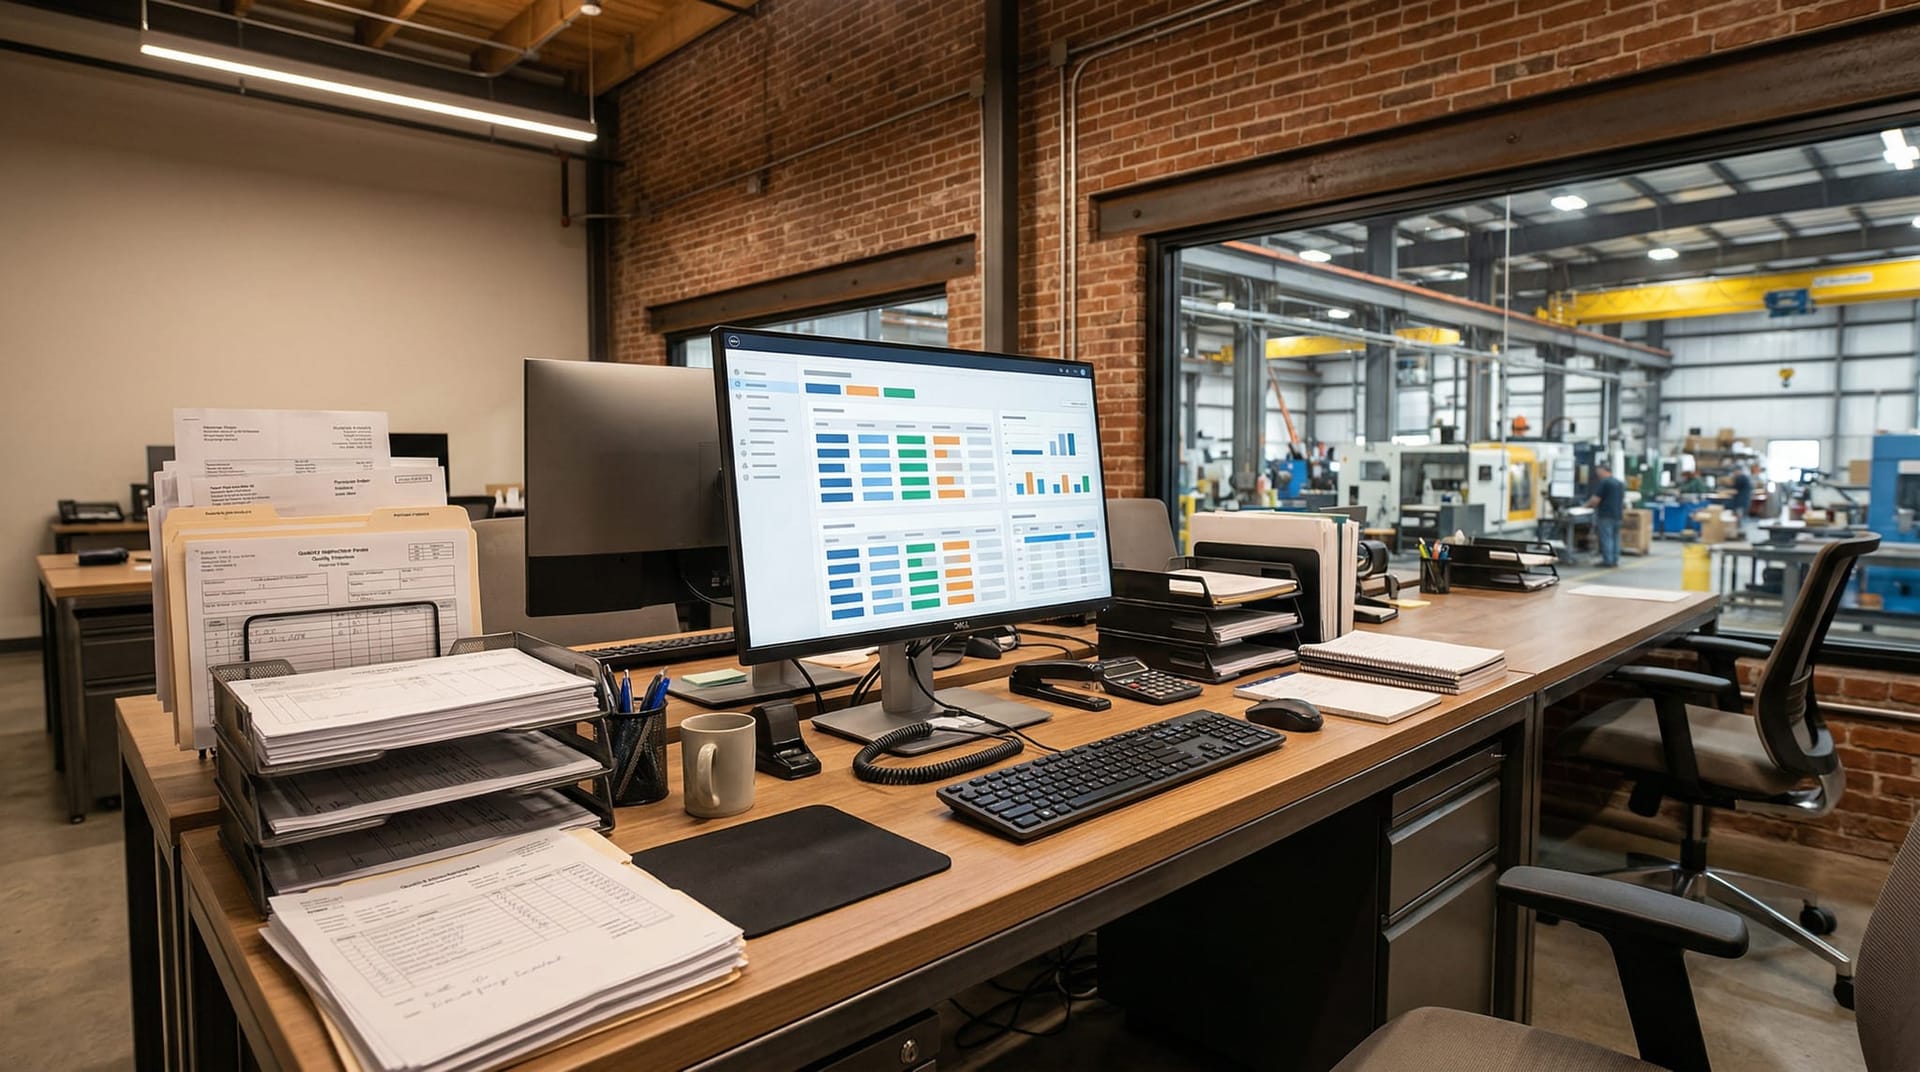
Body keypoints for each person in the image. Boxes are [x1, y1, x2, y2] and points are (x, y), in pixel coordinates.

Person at [1585, 462, 1626, 568]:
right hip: (1617, 515)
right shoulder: (1619, 483)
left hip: (1606, 515)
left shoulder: (1604, 483)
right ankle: (1614, 559)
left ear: (1603, 471)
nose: (1597, 474)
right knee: (1615, 538)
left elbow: (1596, 500)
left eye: (1598, 471)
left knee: (1606, 538)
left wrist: (1585, 506)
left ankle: (1608, 561)